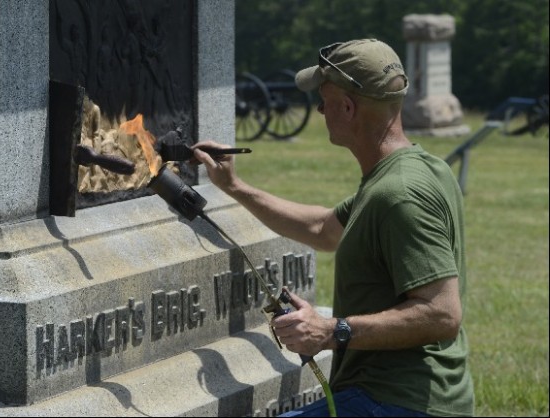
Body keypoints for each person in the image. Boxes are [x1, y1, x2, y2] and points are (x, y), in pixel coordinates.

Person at [192, 39, 474, 417]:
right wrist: (235, 187)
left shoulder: (399, 194)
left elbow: (441, 313)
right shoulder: (417, 171)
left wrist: (331, 331)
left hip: (398, 404)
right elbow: (323, 228)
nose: (321, 110)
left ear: (347, 107)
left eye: (324, 101)